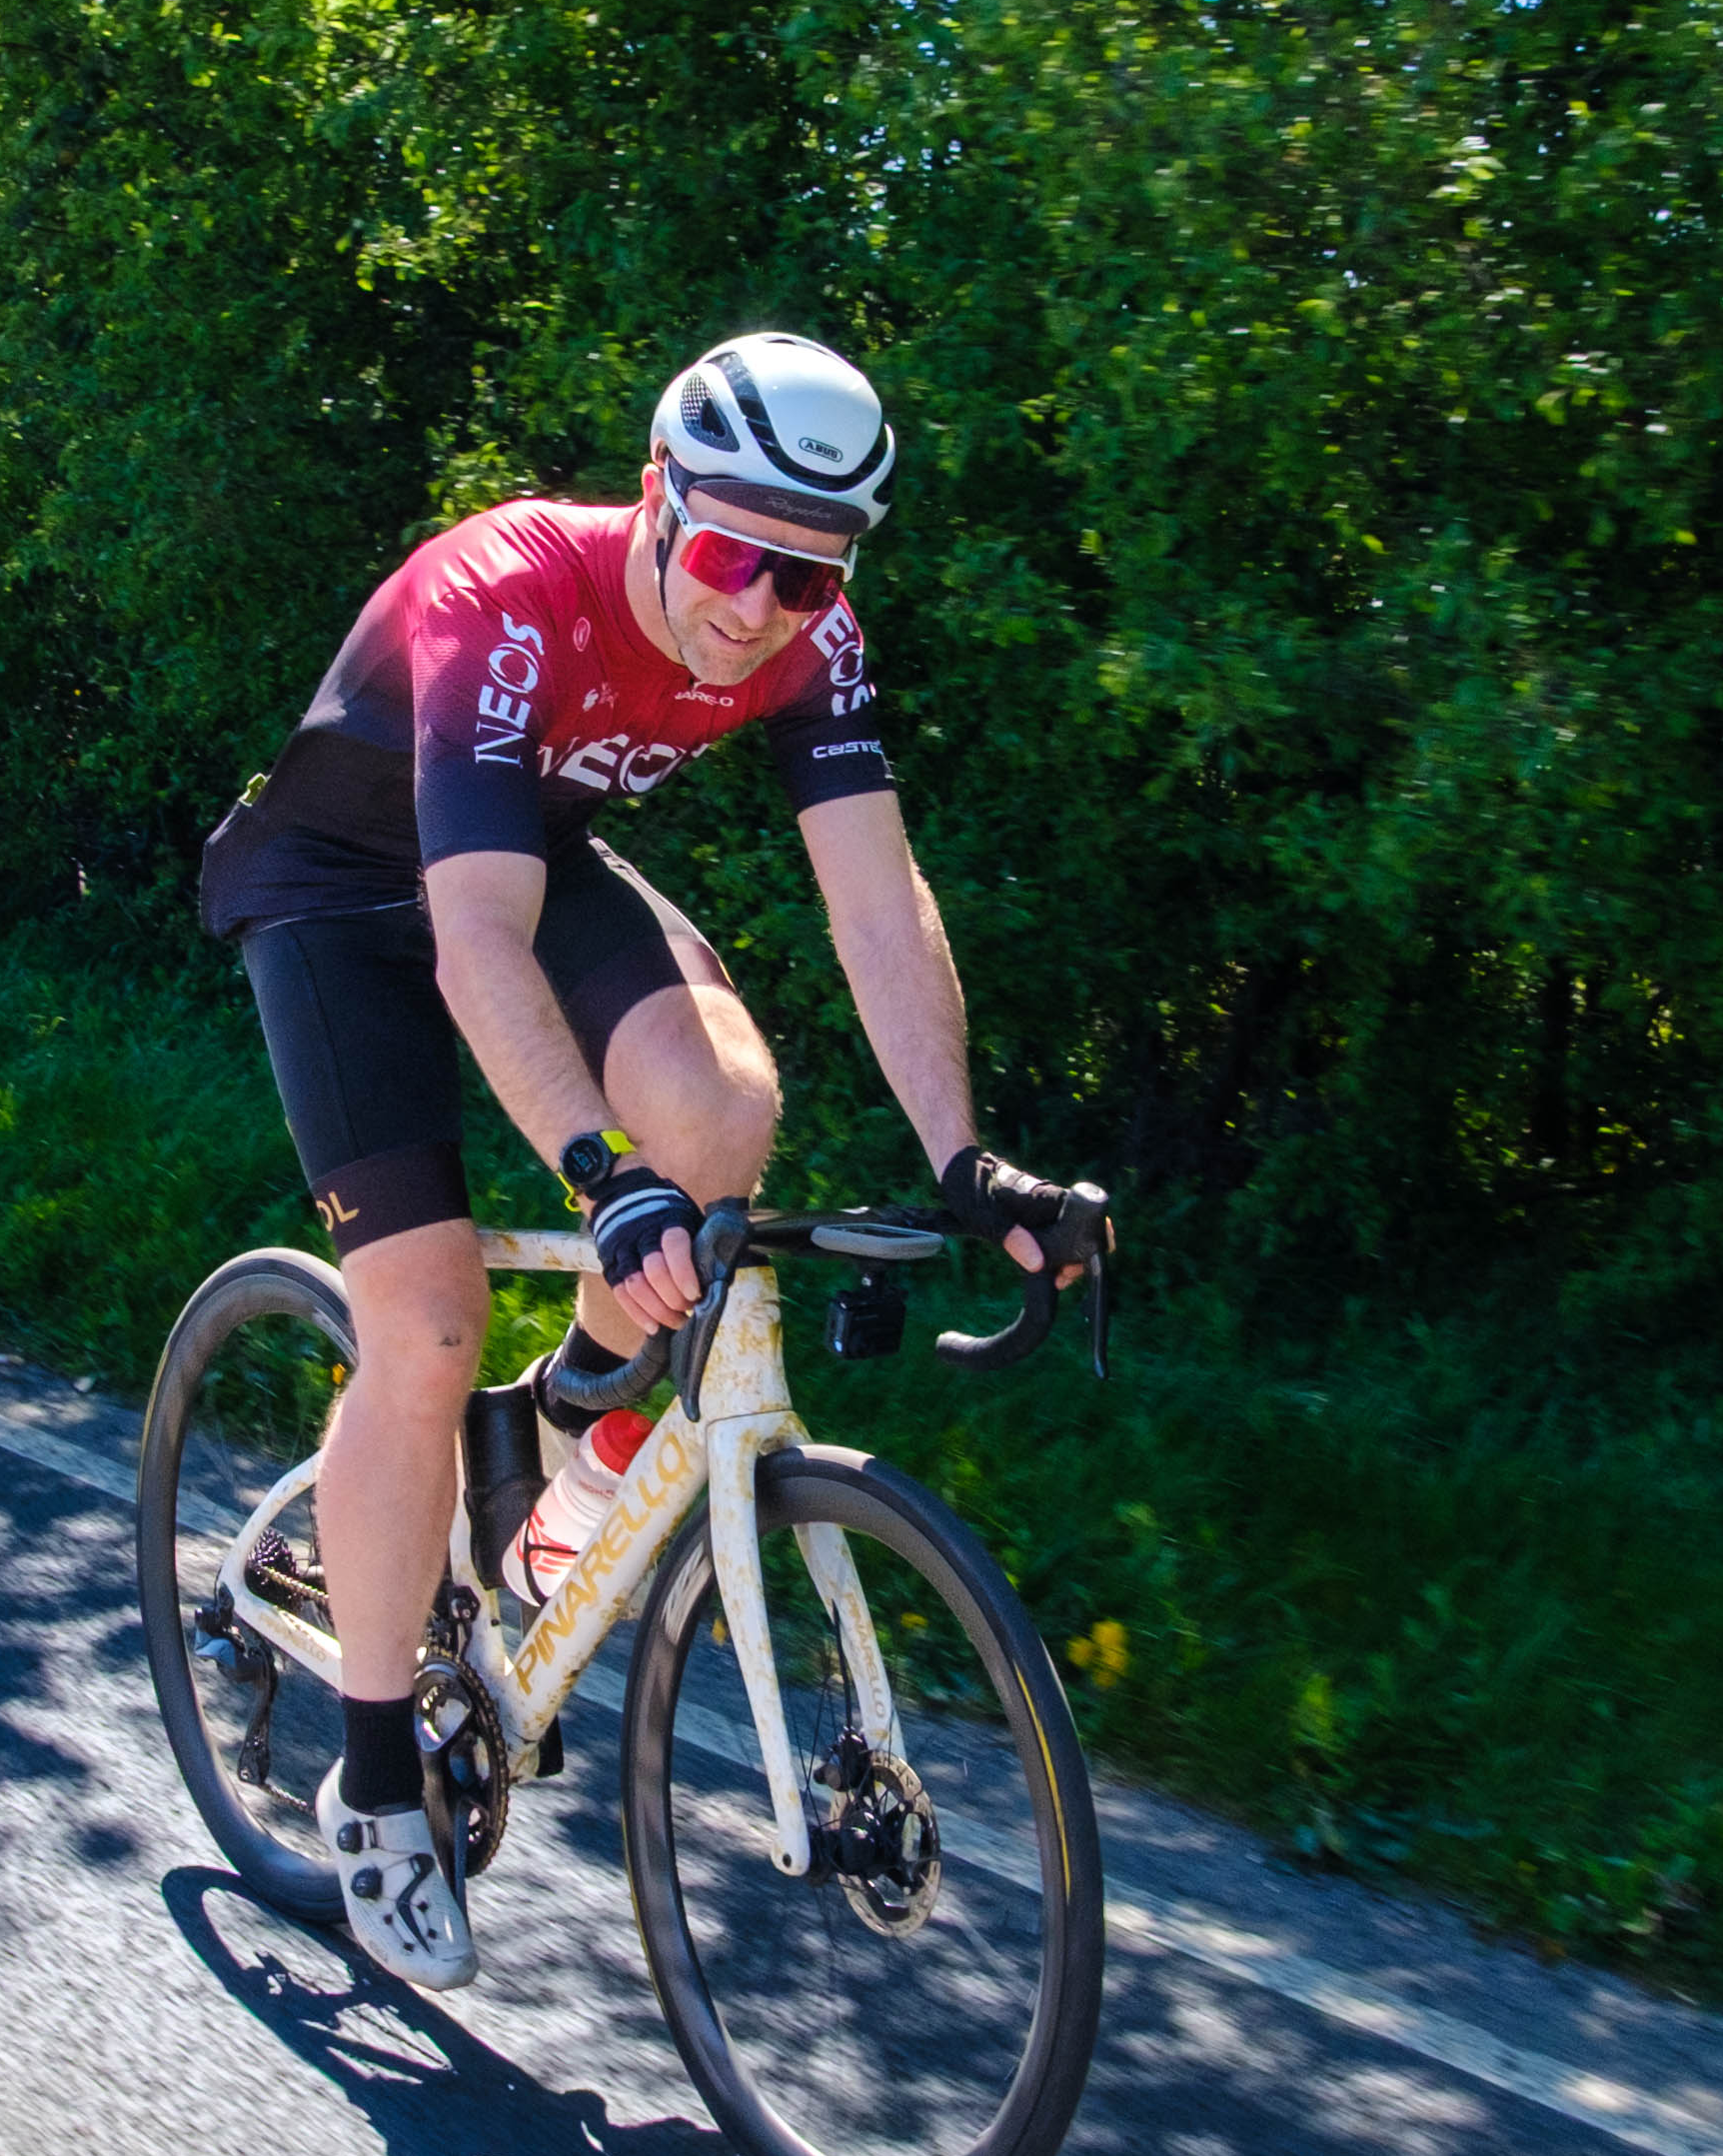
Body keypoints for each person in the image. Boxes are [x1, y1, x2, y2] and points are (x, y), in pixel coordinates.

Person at [196, 330, 1096, 1990]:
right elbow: (471, 942)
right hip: (342, 900)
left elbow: (876, 897)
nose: (761, 605)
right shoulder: (508, 591)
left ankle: (552, 1418)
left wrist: (968, 1157)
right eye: (739, 551)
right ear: (661, 496)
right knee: (425, 1317)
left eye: (811, 577)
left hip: (521, 862)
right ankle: (377, 1770)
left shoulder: (804, 639)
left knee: (725, 1111)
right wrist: (598, 1171)